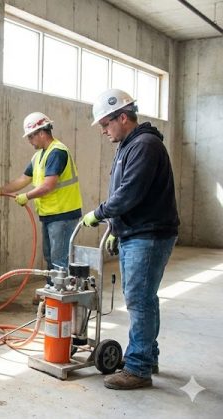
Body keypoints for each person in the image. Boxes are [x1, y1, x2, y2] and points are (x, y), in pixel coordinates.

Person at [82, 89, 179, 390]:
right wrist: (116, 227)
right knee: (145, 297)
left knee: (139, 299)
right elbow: (125, 193)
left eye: (105, 123)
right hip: (136, 231)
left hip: (149, 234)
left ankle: (138, 368)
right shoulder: (129, 145)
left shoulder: (145, 145)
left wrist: (99, 214)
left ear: (123, 117)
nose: (103, 130)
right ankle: (147, 356)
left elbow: (130, 193)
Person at [0, 112, 83, 286]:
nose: (29, 141)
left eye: (30, 136)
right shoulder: (39, 156)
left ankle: (59, 296)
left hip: (64, 214)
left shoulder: (57, 152)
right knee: (50, 258)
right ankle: (52, 291)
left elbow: (48, 185)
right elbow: (23, 179)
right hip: (50, 214)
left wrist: (26, 196)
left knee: (59, 261)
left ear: (42, 133)